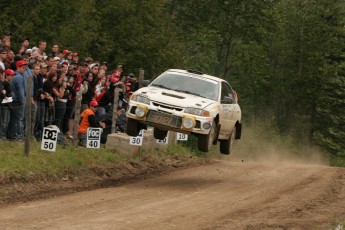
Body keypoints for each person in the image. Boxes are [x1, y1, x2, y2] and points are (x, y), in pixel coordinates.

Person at [8, 60, 28, 141]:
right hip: (18, 102)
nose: (24, 69)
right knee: (18, 119)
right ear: (18, 67)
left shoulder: (16, 76)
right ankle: (18, 136)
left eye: (25, 68)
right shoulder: (19, 77)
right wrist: (23, 102)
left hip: (14, 101)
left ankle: (12, 135)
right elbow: (20, 91)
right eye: (22, 67)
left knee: (14, 119)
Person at [0, 69, 15, 140]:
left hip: (8, 104)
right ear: (7, 75)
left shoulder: (8, 83)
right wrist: (7, 94)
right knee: (4, 121)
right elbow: (4, 94)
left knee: (7, 121)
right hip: (5, 105)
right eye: (11, 75)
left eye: (13, 75)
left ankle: (4, 135)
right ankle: (2, 136)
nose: (12, 77)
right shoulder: (4, 83)